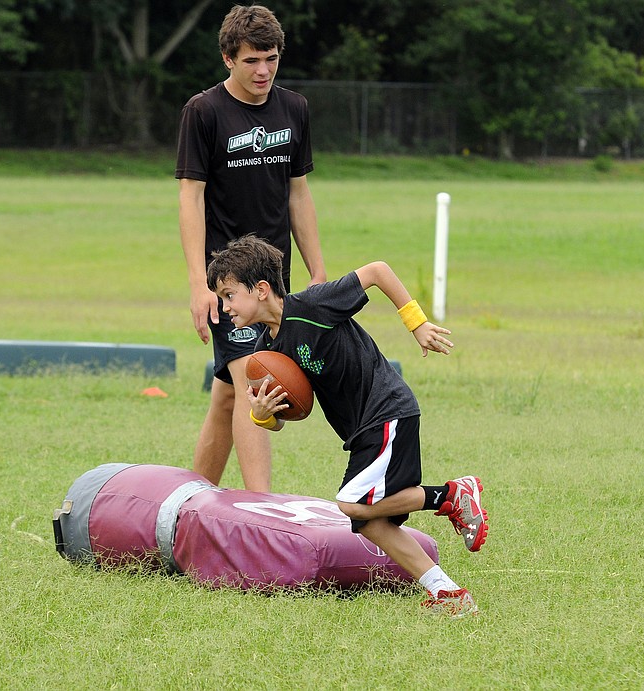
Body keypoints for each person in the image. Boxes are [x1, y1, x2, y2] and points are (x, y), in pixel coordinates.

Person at [206, 235, 489, 617]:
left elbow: (377, 271)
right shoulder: (264, 355)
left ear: (260, 290)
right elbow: (282, 422)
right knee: (370, 522)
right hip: (359, 431)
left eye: (228, 295)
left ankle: (451, 495)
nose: (225, 308)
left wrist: (416, 324)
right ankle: (448, 594)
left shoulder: (313, 304)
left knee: (351, 504)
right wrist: (261, 412)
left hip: (386, 409)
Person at [176, 4, 326, 492]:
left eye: (271, 58)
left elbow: (298, 195)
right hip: (228, 281)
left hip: (271, 279)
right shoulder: (204, 112)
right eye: (251, 61)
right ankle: (262, 511)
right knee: (253, 382)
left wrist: (317, 274)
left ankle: (188, 511)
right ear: (227, 59)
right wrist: (200, 286)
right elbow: (190, 198)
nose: (263, 71)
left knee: (226, 396)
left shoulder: (295, 109)